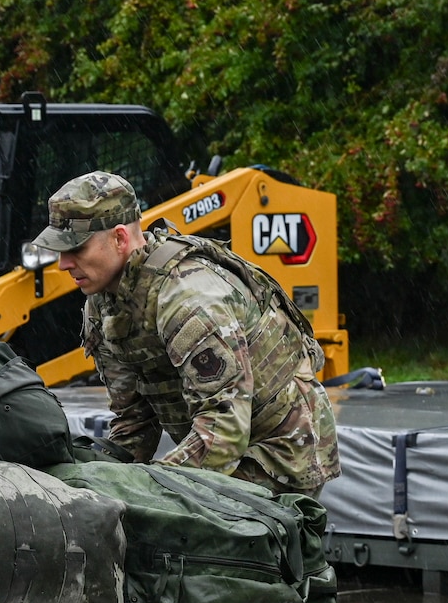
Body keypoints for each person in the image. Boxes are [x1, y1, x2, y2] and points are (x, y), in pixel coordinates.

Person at [31, 171, 339, 497]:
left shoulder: (187, 299)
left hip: (280, 453)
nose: (63, 264)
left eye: (76, 249)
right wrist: (97, 484)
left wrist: (149, 490)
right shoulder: (104, 303)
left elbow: (224, 426)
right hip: (223, 441)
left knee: (169, 516)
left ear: (119, 238)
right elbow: (134, 420)